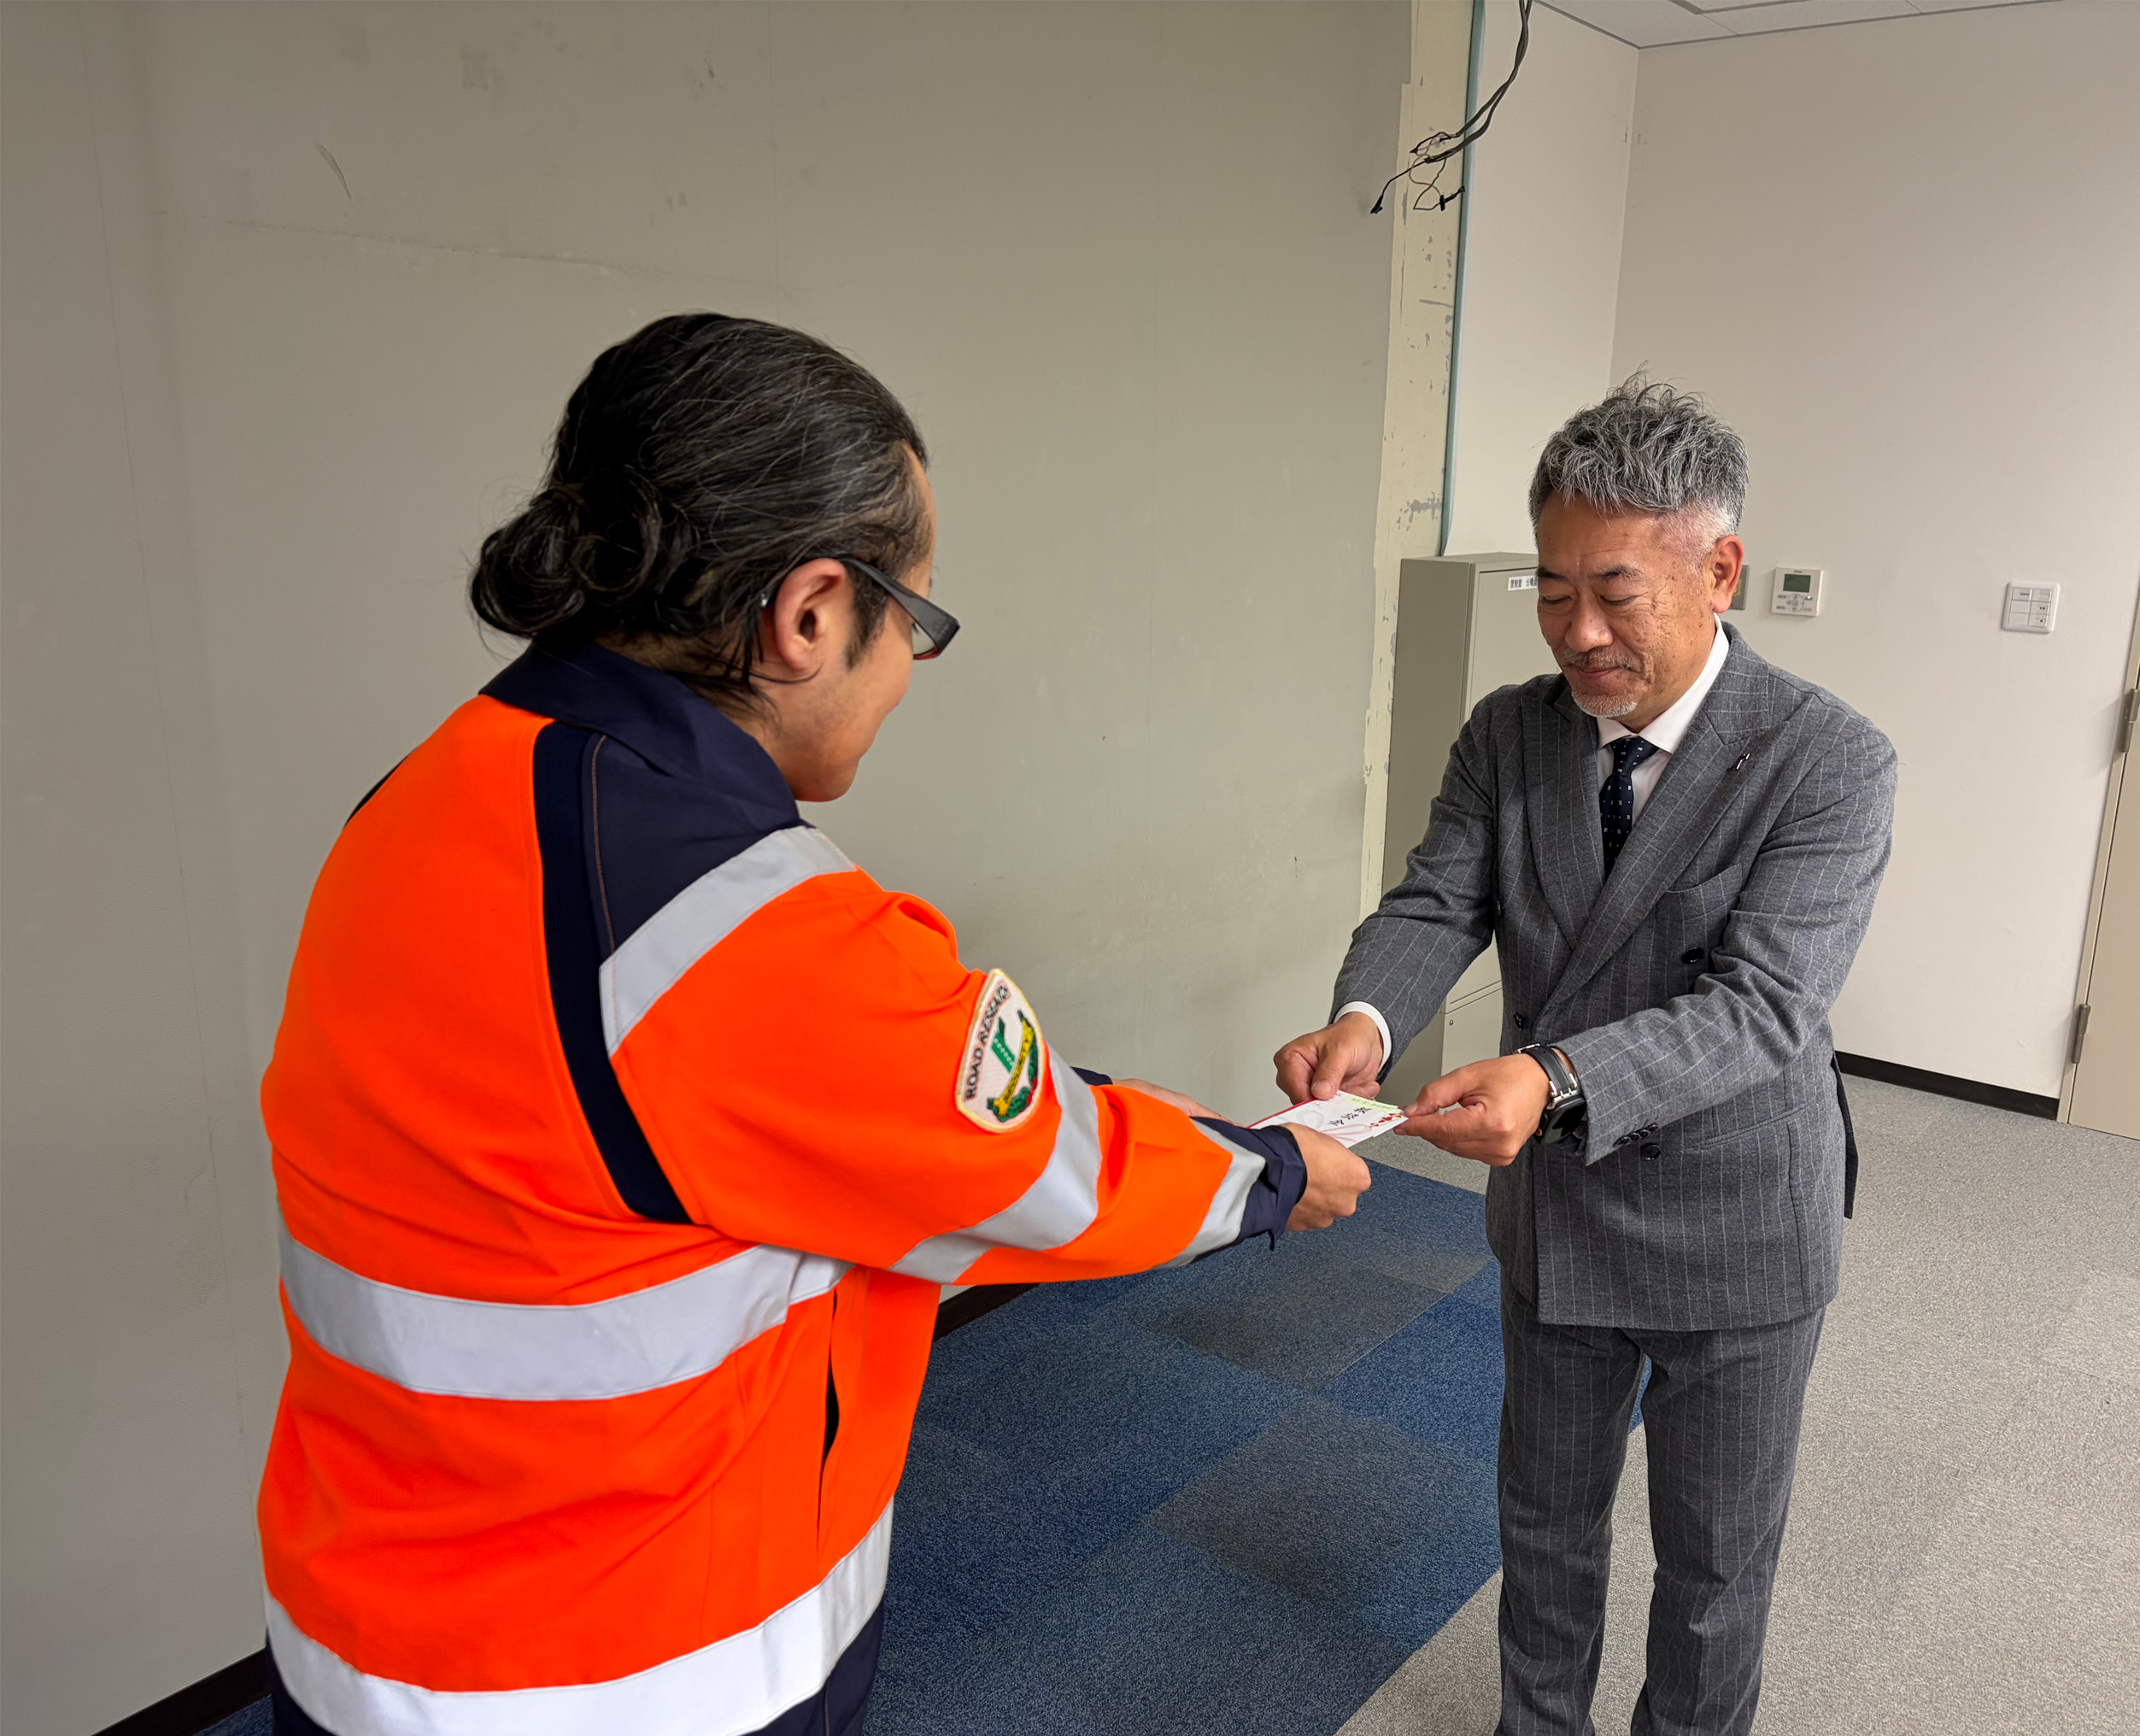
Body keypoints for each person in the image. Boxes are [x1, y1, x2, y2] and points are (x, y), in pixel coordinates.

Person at [256, 313, 1370, 1736]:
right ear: (810, 614)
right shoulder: (741, 923)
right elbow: (1042, 1168)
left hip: (369, 1630)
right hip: (633, 1668)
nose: (908, 666)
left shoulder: (429, 795)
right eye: (918, 624)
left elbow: (828, 1093)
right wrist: (1272, 1172)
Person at [1275, 378, 1895, 1736]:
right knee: (1543, 1525)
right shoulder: (1512, 729)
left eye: (1615, 593)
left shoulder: (1826, 761)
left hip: (1736, 1221)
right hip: (1558, 1218)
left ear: (1719, 572)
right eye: (1552, 593)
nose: (1579, 632)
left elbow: (1761, 1007)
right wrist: (1364, 1022)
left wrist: (1552, 1079)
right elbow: (1437, 899)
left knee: (1714, 1567)